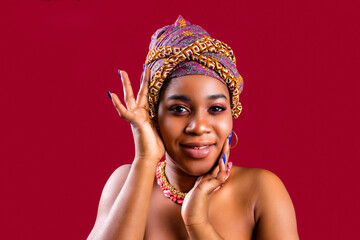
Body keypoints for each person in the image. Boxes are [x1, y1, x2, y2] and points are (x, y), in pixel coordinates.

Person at [87, 16, 299, 240]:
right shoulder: (124, 182)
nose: (198, 127)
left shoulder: (261, 191)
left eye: (216, 108)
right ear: (154, 116)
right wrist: (145, 158)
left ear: (232, 113)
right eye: (179, 109)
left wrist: (197, 222)